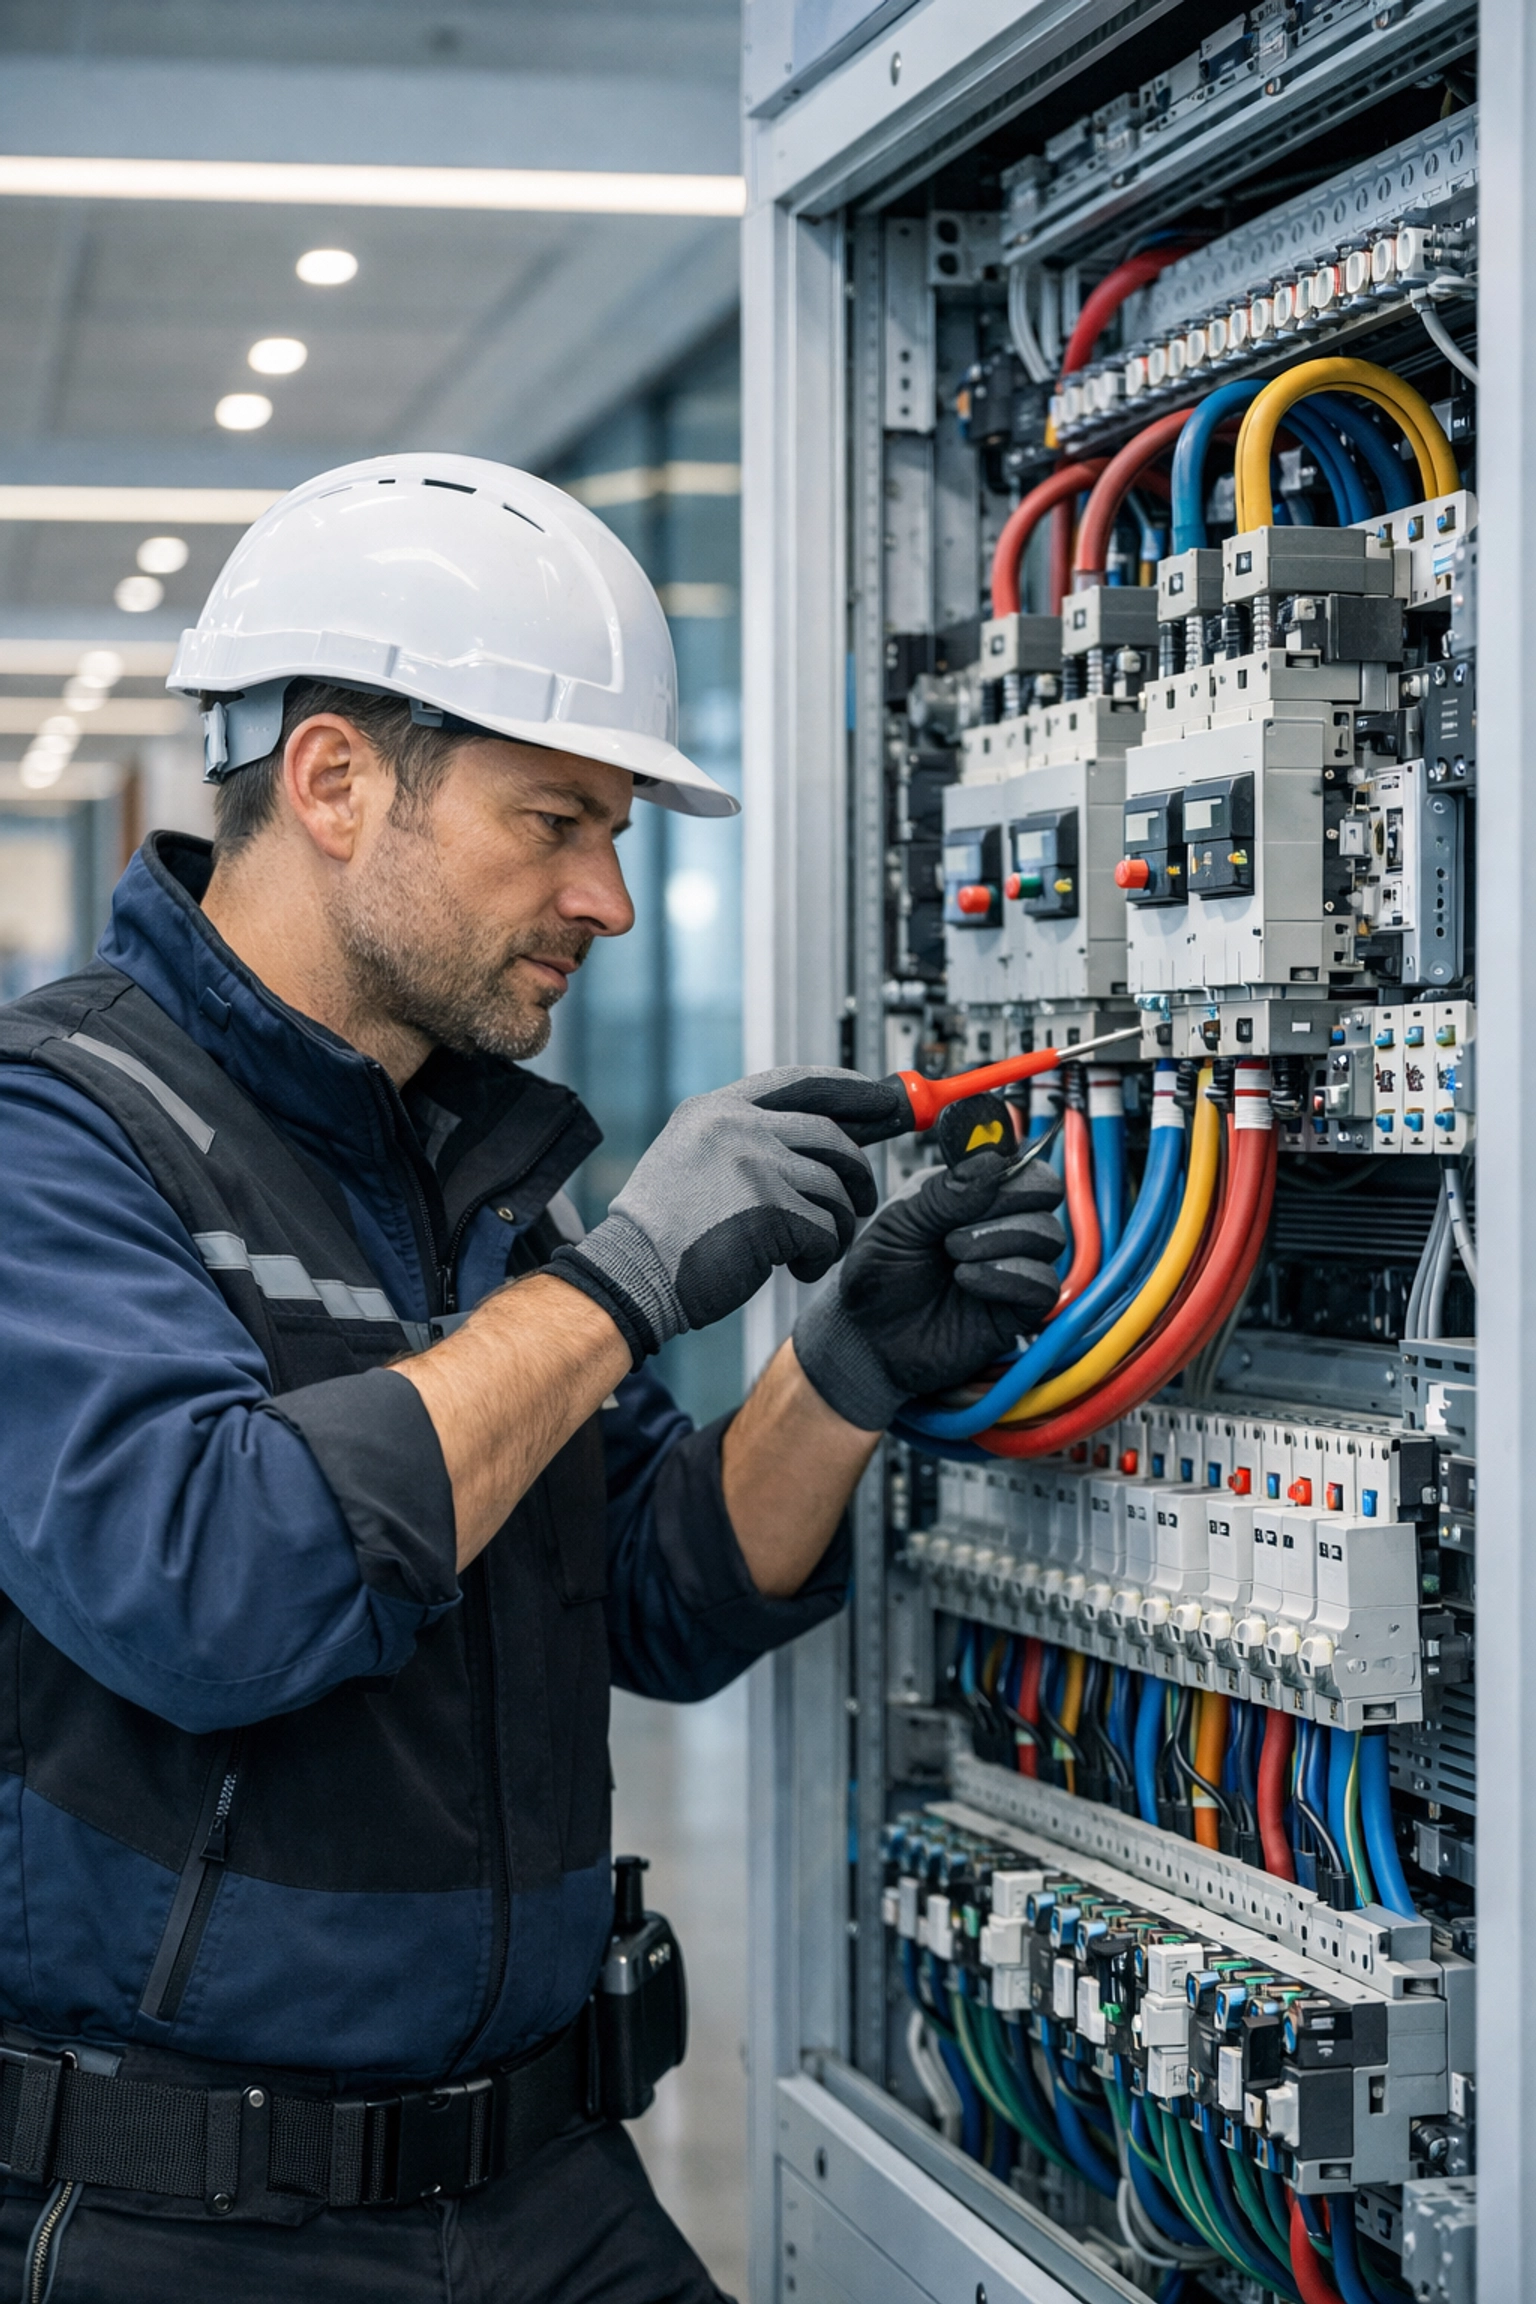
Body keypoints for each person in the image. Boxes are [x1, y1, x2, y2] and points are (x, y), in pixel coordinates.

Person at [0, 454, 1064, 2304]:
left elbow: (644, 1585)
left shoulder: (472, 1159)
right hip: (190, 2222)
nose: (610, 898)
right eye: (557, 819)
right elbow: (211, 1584)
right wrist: (626, 1284)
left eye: (622, 833)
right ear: (334, 781)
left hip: (545, 2184)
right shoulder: (59, 1137)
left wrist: (841, 1368)